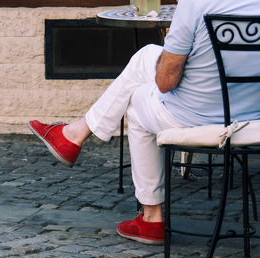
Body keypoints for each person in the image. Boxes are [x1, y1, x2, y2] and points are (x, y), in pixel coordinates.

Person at [28, 0, 260, 245]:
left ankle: (151, 217)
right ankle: (75, 133)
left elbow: (165, 82)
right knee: (146, 56)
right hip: (253, 121)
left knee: (137, 97)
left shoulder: (196, 4)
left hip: (193, 118)